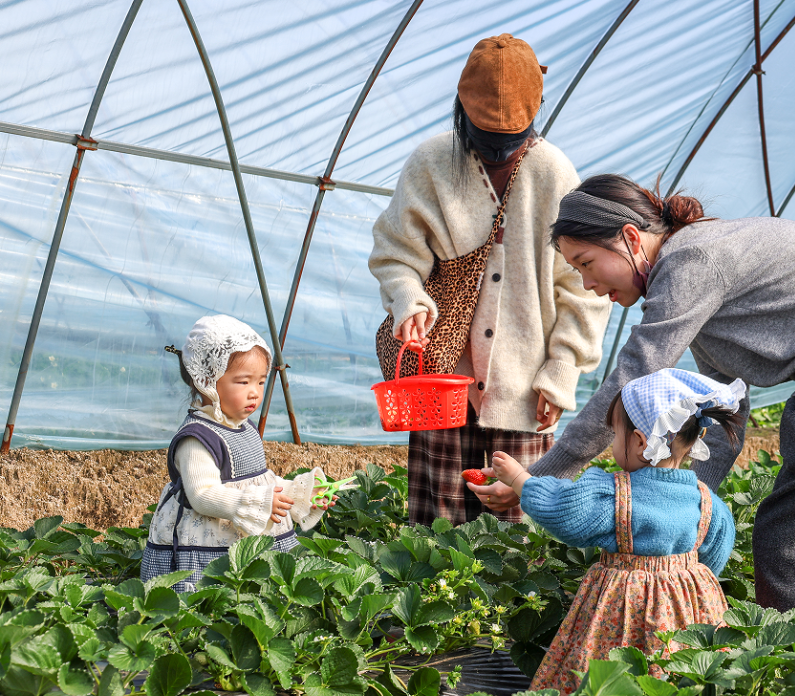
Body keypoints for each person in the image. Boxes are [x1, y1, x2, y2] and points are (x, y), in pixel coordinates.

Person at [471, 174, 795, 630]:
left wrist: (541, 477)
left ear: (631, 238)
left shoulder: (690, 263)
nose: (588, 285)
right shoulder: (703, 264)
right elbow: (721, 408)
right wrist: (682, 498)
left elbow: (631, 378)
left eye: (586, 263)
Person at [368, 33, 610, 527]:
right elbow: (395, 255)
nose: (499, 154)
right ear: (461, 108)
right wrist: (409, 301)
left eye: (512, 143)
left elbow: (581, 289)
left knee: (521, 535)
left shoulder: (555, 173)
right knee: (438, 534)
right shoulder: (431, 163)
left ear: (535, 114)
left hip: (525, 390)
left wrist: (560, 372)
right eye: (484, 141)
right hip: (441, 384)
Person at [484, 368, 742, 695]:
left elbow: (565, 511)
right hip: (688, 612)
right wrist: (684, 582)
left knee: (606, 682)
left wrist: (521, 480)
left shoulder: (617, 496)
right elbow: (716, 554)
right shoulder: (706, 501)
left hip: (620, 611)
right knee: (681, 684)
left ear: (639, 442)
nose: (614, 443)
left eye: (616, 435)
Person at [141, 315, 333, 592]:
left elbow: (259, 482)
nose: (254, 393)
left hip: (244, 535)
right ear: (206, 381)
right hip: (210, 542)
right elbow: (203, 496)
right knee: (214, 599)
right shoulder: (197, 439)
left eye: (261, 382)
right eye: (243, 382)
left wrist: (300, 494)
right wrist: (256, 504)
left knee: (262, 594)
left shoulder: (244, 428)